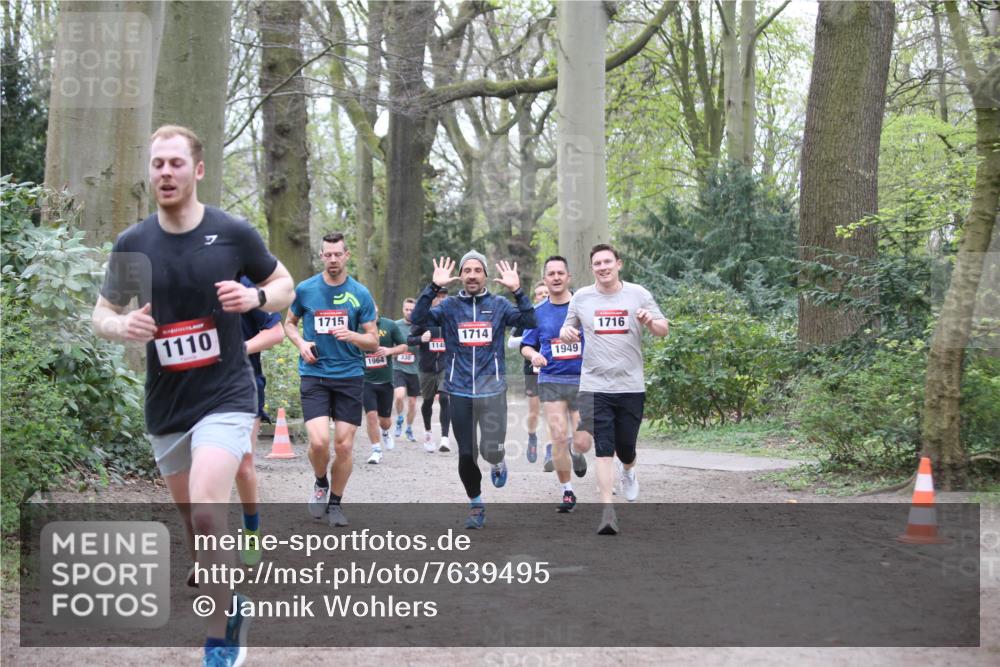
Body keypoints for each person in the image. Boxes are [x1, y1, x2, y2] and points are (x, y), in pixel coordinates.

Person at [92, 125, 294, 667]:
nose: (165, 172)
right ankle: (220, 582)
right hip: (168, 404)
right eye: (157, 163)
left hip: (226, 394)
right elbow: (101, 314)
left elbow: (285, 286)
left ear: (198, 170)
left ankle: (222, 630)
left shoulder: (231, 233)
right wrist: (122, 327)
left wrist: (253, 294)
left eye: (176, 163)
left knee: (208, 510)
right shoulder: (135, 244)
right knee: (195, 526)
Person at [411, 253, 535, 529]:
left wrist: (517, 290)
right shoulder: (451, 306)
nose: (471, 275)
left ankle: (498, 461)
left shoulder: (500, 305)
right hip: (460, 391)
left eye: (477, 270)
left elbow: (530, 322)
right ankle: (476, 503)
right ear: (461, 276)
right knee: (466, 454)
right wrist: (433, 289)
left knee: (491, 450)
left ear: (485, 275)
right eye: (466, 270)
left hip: (493, 391)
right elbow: (418, 319)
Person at [561, 243, 669, 535]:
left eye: (607, 262)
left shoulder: (638, 294)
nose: (603, 267)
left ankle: (630, 470)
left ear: (618, 264)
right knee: (604, 449)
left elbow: (663, 329)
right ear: (592, 267)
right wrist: (567, 332)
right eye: (597, 263)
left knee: (625, 448)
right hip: (594, 386)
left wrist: (650, 322)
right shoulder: (582, 298)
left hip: (630, 385)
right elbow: (565, 329)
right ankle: (607, 511)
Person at [283, 232, 378, 529]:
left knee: (345, 446)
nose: (333, 259)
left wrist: (353, 336)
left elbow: (373, 341)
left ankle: (335, 503)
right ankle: (320, 482)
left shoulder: (360, 293)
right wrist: (300, 344)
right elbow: (289, 323)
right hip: (314, 374)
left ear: (347, 255)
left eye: (338, 254)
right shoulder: (306, 289)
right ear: (321, 256)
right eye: (328, 254)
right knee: (320, 441)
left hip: (349, 376)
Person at [520, 257, 592, 512]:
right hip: (551, 379)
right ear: (545, 278)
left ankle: (577, 451)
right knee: (559, 436)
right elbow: (526, 345)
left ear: (568, 276)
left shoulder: (584, 306)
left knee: (582, 442)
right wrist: (534, 355)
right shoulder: (537, 313)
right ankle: (567, 491)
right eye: (551, 273)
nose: (556, 277)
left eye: (561, 272)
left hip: (583, 379)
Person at [235, 276, 285, 567]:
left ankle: (251, 529)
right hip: (197, 387)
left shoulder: (245, 284)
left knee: (243, 463)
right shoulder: (187, 279)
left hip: (243, 382)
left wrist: (237, 350)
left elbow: (275, 333)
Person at [508, 281, 549, 466]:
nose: (543, 296)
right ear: (535, 297)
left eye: (546, 293)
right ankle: (532, 437)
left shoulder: (558, 313)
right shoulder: (529, 315)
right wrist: (530, 341)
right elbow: (511, 342)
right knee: (534, 410)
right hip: (531, 367)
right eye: (540, 293)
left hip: (552, 367)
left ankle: (550, 449)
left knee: (550, 410)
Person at [363, 306, 409, 464]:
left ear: (377, 313)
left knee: (385, 421)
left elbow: (404, 346)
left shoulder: (389, 325)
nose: (371, 317)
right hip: (365, 380)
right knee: (371, 416)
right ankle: (376, 450)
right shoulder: (357, 326)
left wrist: (389, 351)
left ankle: (385, 432)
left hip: (385, 381)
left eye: (373, 314)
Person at [410, 291, 451, 453]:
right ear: (432, 300)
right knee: (427, 402)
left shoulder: (451, 319)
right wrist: (421, 339)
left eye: (444, 297)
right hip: (426, 368)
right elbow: (409, 339)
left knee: (445, 397)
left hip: (445, 366)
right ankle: (428, 432)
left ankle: (445, 438)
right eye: (438, 297)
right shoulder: (423, 319)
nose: (441, 300)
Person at [392, 297, 421, 441]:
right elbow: (388, 343)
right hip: (398, 367)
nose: (409, 312)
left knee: (413, 402)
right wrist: (394, 352)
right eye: (407, 309)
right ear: (403, 309)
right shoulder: (395, 325)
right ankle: (399, 418)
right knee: (399, 395)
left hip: (415, 370)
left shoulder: (420, 326)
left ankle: (409, 428)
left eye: (412, 310)